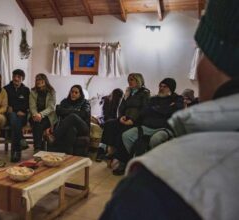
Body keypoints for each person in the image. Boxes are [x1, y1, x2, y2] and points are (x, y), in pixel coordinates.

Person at [99, 0, 239, 219]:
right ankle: (117, 156)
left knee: (152, 138)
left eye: (202, 53)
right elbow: (144, 112)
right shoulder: (148, 97)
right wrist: (129, 113)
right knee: (124, 131)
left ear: (216, 59)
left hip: (161, 129)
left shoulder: (155, 188)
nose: (161, 87)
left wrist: (155, 111)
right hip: (142, 124)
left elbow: (163, 114)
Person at [96, 73, 150, 171]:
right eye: (129, 80)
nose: (129, 82)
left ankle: (121, 161)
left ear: (138, 81)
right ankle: (103, 150)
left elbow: (144, 109)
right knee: (109, 124)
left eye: (132, 80)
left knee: (122, 132)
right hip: (124, 118)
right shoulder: (128, 92)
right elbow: (121, 107)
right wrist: (120, 117)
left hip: (135, 121)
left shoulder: (144, 93)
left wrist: (132, 120)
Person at [122, 78, 184, 155]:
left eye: (165, 87)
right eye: (160, 86)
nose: (161, 88)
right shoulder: (153, 99)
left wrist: (155, 109)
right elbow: (144, 111)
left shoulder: (177, 99)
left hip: (164, 127)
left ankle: (153, 162)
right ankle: (138, 159)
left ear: (171, 88)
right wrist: (166, 108)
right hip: (147, 126)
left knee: (156, 139)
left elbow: (176, 111)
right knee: (126, 136)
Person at [48, 85, 91, 155]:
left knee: (73, 116)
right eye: (72, 92)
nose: (73, 94)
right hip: (68, 128)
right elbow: (58, 111)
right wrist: (75, 111)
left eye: (76, 92)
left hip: (82, 128)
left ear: (80, 94)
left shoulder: (85, 102)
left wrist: (67, 111)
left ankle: (55, 136)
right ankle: (69, 156)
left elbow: (84, 114)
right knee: (71, 130)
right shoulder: (65, 101)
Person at [3, 69, 30, 162]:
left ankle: (16, 152)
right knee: (13, 116)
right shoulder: (6, 89)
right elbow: (6, 104)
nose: (16, 78)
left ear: (22, 79)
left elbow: (27, 104)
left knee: (15, 121)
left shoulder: (26, 90)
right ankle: (17, 149)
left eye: (18, 77)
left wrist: (15, 108)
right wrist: (16, 110)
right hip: (9, 116)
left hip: (22, 116)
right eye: (14, 76)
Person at [29, 73, 57, 152]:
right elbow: (32, 106)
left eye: (40, 79)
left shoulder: (51, 91)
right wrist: (35, 114)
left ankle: (37, 148)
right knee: (36, 123)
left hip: (48, 117)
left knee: (38, 125)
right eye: (37, 79)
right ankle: (38, 148)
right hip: (34, 116)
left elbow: (51, 107)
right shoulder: (33, 92)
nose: (38, 81)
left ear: (45, 81)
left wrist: (41, 114)